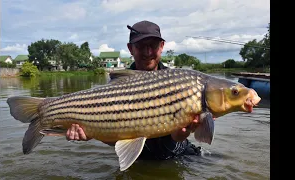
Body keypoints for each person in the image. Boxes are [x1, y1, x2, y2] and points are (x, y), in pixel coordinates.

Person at [66, 20, 207, 160]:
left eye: (153, 45)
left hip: (177, 156)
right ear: (130, 48)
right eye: (141, 46)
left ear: (162, 46)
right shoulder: (118, 86)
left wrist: (177, 136)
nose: (148, 52)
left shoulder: (181, 83)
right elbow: (115, 140)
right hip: (139, 158)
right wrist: (91, 132)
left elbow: (196, 134)